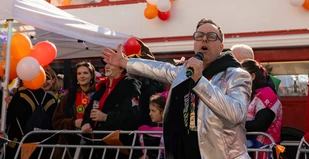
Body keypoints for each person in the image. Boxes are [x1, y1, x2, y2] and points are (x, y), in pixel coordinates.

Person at [102, 18, 252, 159]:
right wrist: (124, 62)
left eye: (212, 36)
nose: (204, 39)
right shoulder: (185, 72)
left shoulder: (237, 76)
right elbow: (159, 69)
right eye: (199, 36)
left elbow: (236, 114)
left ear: (221, 47)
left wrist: (200, 81)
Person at [81, 59, 141, 158]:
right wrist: (86, 123)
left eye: (111, 63)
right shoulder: (102, 86)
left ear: (122, 68)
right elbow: (89, 111)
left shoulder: (130, 85)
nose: (106, 66)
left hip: (117, 149)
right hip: (95, 146)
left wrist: (106, 117)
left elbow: (132, 116)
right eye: (106, 64)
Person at [5, 67, 59, 159]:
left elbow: (10, 118)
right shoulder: (51, 99)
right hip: (43, 145)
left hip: (19, 142)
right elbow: (54, 123)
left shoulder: (20, 95)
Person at [52, 62, 96, 159]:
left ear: (92, 75)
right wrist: (73, 123)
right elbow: (56, 121)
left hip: (94, 144)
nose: (82, 76)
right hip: (70, 145)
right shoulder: (69, 96)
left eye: (85, 73)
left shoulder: (98, 94)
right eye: (79, 74)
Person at [241, 60, 282, 159]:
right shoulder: (255, 94)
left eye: (241, 77)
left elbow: (260, 125)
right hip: (254, 149)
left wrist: (233, 125)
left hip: (264, 150)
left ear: (252, 76)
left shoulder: (267, 95)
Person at [138, 93, 166, 159]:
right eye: (150, 110)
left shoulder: (172, 130)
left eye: (153, 111)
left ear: (163, 112)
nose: (150, 114)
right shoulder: (143, 130)